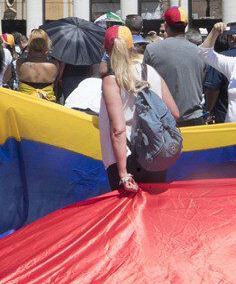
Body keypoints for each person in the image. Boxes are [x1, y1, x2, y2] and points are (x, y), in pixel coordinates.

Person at [65, 25, 179, 193]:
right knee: (153, 210)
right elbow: (174, 113)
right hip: (155, 153)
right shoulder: (150, 72)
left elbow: (118, 130)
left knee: (127, 216)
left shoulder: (112, 80)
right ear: (132, 46)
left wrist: (123, 174)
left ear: (106, 50)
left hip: (125, 158)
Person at [143, 7, 207, 126]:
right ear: (186, 26)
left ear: (166, 26)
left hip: (164, 119)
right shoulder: (200, 52)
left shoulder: (152, 49)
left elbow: (144, 82)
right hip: (194, 118)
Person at [202, 27, 236, 123]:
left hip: (226, 118)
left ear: (232, 38)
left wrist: (208, 110)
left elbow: (213, 88)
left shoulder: (222, 58)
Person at [14, 29, 59, 101]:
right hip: (48, 105)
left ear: (30, 43)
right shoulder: (54, 64)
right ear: (47, 43)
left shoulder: (20, 63)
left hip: (25, 104)